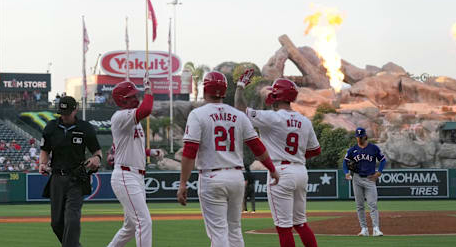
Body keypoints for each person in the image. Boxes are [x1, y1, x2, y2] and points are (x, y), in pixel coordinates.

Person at [177, 71, 279, 247]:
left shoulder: (198, 114)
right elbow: (257, 146)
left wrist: (183, 183)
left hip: (212, 177)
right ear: (224, 91)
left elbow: (190, 151)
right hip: (236, 177)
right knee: (234, 231)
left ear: (205, 89)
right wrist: (271, 168)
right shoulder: (238, 115)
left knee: (218, 233)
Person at [236, 74, 321, 247]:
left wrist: (239, 86)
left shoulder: (272, 117)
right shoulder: (305, 121)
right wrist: (295, 157)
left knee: (284, 227)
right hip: (300, 171)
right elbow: (315, 150)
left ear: (277, 97)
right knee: (301, 223)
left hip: (280, 172)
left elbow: (239, 109)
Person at [107, 74, 164, 247]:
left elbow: (134, 148)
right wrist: (149, 90)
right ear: (122, 99)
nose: (136, 97)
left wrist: (151, 151)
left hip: (135, 176)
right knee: (144, 222)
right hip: (125, 175)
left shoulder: (132, 120)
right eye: (132, 96)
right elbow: (146, 110)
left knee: (130, 227)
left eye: (136, 94)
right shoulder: (121, 116)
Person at [39, 96, 102, 247]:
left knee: (72, 220)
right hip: (56, 178)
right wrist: (42, 163)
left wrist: (96, 159)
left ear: (76, 110)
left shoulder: (85, 127)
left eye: (67, 112)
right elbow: (45, 150)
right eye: (62, 112)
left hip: (76, 178)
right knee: (56, 223)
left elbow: (97, 151)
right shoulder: (51, 127)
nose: (64, 116)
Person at [343, 127, 386, 237]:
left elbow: (383, 160)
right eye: (357, 137)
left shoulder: (373, 148)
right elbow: (345, 162)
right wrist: (346, 172)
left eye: (361, 137)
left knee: (372, 204)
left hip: (370, 179)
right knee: (359, 206)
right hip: (357, 179)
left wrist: (379, 172)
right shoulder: (352, 150)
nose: (359, 139)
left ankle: (376, 229)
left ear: (365, 136)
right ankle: (364, 229)